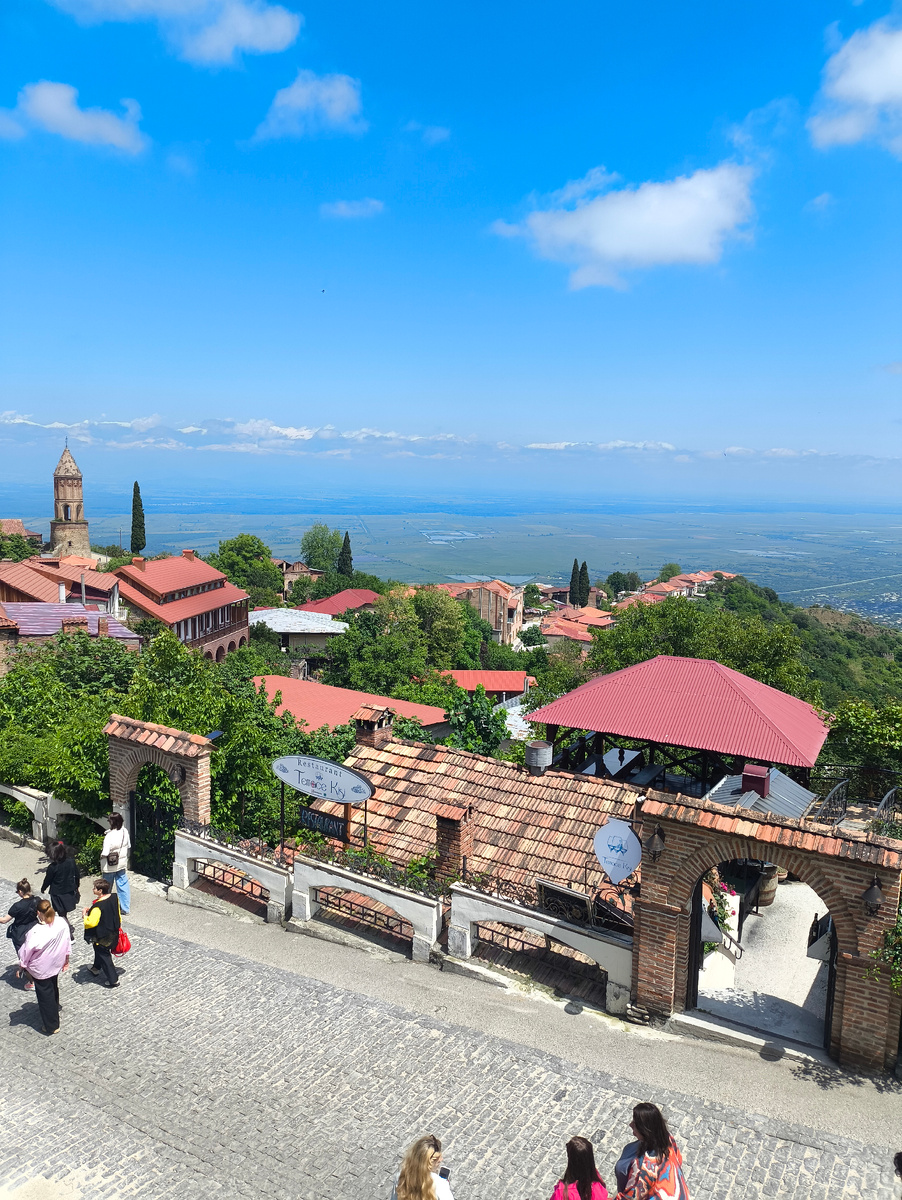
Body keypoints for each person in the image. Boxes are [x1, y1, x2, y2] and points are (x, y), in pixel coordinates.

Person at [17, 898, 70, 1034]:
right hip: (56, 962)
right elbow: (67, 941)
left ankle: (52, 1025)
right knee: (53, 986)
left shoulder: (35, 932)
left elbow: (26, 952)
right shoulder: (61, 922)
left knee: (45, 994)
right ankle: (55, 1007)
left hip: (41, 968)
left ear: (38, 913)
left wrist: (21, 966)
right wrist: (66, 958)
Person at [615, 1104, 689, 1200]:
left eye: (635, 1124)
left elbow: (629, 1198)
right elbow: (678, 1160)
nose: (630, 1125)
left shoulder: (642, 1171)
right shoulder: (666, 1137)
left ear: (645, 1131)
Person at [83, 878, 122, 988]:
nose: (93, 889)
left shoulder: (98, 906)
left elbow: (91, 923)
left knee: (104, 956)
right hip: (113, 931)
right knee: (99, 951)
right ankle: (95, 968)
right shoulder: (114, 897)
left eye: (95, 888)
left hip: (102, 936)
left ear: (100, 891)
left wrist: (84, 916)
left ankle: (113, 980)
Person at [1, 879, 40, 984]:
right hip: (35, 928)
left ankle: (32, 982)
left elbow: (4, 920)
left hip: (21, 933)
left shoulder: (17, 906)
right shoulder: (37, 900)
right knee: (36, 953)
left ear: (21, 891)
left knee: (24, 956)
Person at [392, 1134, 453, 1200]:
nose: (441, 1159)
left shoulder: (400, 1178)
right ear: (430, 1163)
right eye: (437, 1159)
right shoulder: (441, 1185)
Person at [40, 841, 80, 939]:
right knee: (63, 912)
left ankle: (69, 934)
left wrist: (43, 888)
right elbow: (77, 875)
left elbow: (48, 880)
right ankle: (67, 926)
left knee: (61, 913)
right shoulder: (71, 862)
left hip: (57, 893)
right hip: (69, 891)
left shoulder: (52, 867)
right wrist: (76, 886)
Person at [101, 812, 131, 915]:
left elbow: (105, 852)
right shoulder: (125, 831)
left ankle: (105, 906)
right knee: (123, 885)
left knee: (106, 886)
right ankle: (125, 908)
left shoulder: (109, 836)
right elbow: (128, 845)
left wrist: (101, 857)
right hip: (121, 863)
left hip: (110, 865)